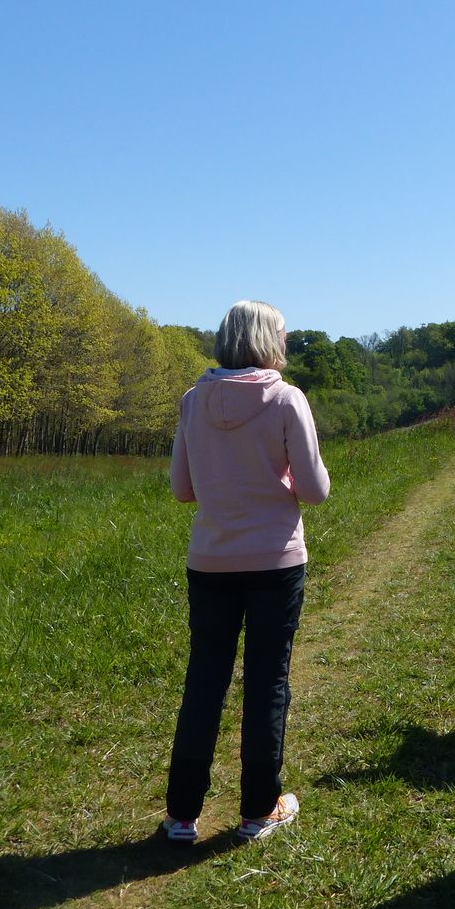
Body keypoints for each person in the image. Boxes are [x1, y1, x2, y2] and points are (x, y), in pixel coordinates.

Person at [161, 300, 331, 844]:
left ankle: (181, 815)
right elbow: (316, 491)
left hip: (210, 560)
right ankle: (259, 810)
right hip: (275, 561)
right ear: (268, 341)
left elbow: (182, 489)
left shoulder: (192, 401)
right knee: (267, 682)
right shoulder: (286, 398)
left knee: (204, 681)